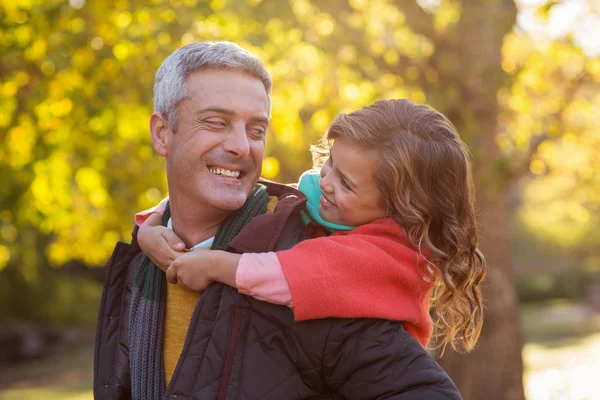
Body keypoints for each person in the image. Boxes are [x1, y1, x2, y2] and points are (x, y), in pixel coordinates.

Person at [94, 41, 463, 400]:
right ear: (162, 133)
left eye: (256, 130)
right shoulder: (139, 264)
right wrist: (148, 228)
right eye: (217, 122)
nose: (241, 146)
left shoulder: (321, 270)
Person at [136, 99, 486, 353]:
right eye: (330, 162)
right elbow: (240, 197)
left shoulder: (391, 258)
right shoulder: (335, 202)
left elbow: (291, 275)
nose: (326, 181)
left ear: (402, 210)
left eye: (346, 184)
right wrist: (151, 226)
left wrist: (213, 265)